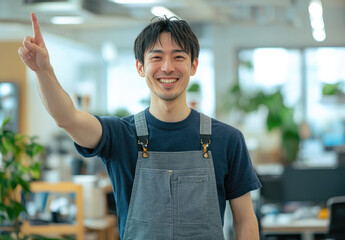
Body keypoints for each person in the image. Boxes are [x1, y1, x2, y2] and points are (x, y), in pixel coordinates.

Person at [19, 12, 262, 240]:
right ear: (140, 67)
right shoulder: (119, 136)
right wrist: (44, 71)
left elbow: (245, 220)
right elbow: (67, 118)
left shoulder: (228, 139)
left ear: (194, 65)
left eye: (179, 56)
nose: (167, 67)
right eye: (156, 57)